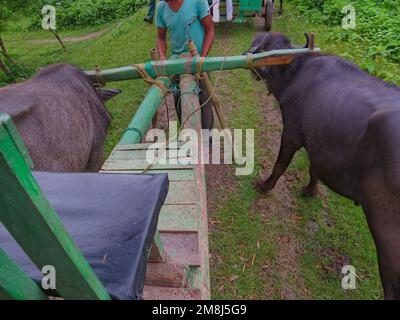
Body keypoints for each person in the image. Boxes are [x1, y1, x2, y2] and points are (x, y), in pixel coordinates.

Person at [156, 0, 215, 130]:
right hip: (177, 62)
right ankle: (187, 134)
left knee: (205, 99)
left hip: (198, 60)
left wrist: (203, 58)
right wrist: (162, 56)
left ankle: (207, 139)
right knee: (178, 98)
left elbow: (209, 29)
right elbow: (160, 37)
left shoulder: (197, 1)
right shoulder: (161, 8)